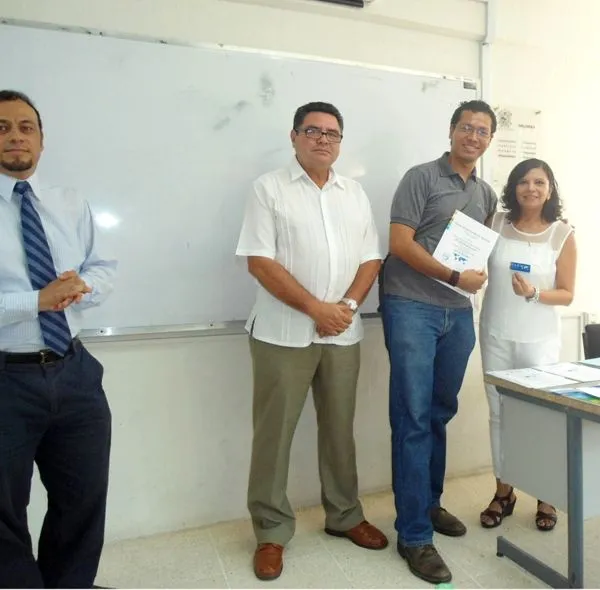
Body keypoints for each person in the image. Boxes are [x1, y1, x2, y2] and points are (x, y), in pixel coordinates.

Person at [236, 101, 387, 581]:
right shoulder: (269, 189)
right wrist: (315, 309)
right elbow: (259, 261)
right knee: (274, 435)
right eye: (314, 131)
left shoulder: (354, 193)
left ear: (340, 142)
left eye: (333, 133)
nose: (324, 140)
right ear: (295, 136)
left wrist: (344, 307)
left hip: (343, 333)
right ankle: (271, 531)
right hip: (283, 333)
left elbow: (370, 259)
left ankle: (344, 515)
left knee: (340, 430)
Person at [0, 90, 117, 588]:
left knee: (82, 501)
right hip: (6, 379)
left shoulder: (71, 201)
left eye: (26, 127)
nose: (15, 137)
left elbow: (104, 267)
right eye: (2, 127)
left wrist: (81, 288)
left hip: (74, 372)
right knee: (3, 515)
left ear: (42, 140)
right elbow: (38, 297)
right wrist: (37, 301)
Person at [380, 100, 498, 584]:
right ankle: (412, 536)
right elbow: (400, 244)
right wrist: (453, 273)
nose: (474, 136)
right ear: (451, 132)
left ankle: (428, 506)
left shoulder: (487, 193)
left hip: (457, 314)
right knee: (411, 417)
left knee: (438, 414)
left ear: (489, 140)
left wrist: (475, 276)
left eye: (483, 130)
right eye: (466, 127)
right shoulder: (421, 177)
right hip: (410, 306)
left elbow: (476, 255)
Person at [479, 158, 576, 532]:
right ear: (513, 188)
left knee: (542, 420)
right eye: (523, 181)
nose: (530, 188)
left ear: (549, 188)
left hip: (540, 343)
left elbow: (567, 294)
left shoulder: (562, 234)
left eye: (539, 181)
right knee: (499, 415)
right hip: (496, 334)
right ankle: (504, 492)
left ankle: (546, 496)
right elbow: (472, 263)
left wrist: (535, 293)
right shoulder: (496, 224)